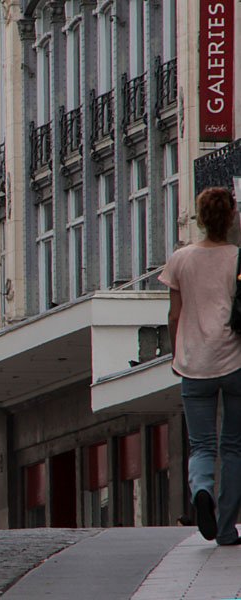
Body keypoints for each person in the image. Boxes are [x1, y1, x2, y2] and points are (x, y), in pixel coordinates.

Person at [159, 186, 241, 546]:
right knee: (235, 446)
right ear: (232, 217)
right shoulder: (239, 257)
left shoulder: (180, 259)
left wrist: (177, 354)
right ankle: (225, 527)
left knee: (202, 445)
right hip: (235, 361)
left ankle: (201, 492)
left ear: (200, 218)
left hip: (194, 363)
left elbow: (174, 315)